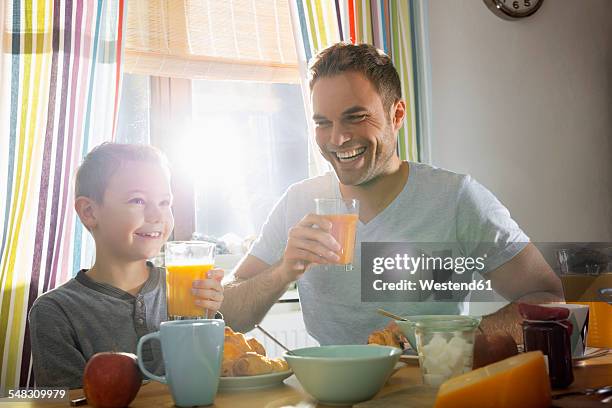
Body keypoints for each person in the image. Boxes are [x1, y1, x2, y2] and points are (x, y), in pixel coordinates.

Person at [220, 42, 563, 345]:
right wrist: (284, 270)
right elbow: (232, 314)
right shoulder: (297, 201)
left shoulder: (456, 199)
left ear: (396, 114)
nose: (337, 139)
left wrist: (453, 338)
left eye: (355, 117)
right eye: (323, 122)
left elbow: (548, 297)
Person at [29, 143, 224, 388]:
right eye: (138, 200)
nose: (156, 215)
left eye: (165, 202)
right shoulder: (55, 311)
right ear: (89, 211)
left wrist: (208, 320)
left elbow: (208, 382)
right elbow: (68, 402)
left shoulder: (190, 290)